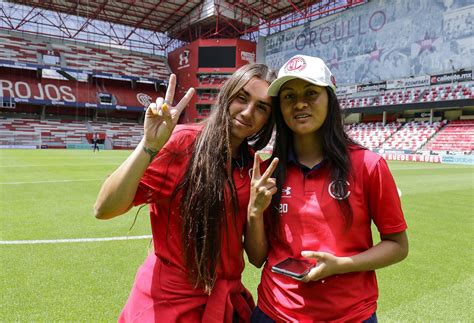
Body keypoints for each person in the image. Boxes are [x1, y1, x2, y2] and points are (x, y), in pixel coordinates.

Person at [94, 64, 276, 322]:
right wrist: (148, 145)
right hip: (168, 303)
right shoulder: (182, 142)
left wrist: (256, 211)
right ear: (226, 95)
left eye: (261, 107)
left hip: (225, 302)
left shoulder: (254, 166)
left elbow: (257, 258)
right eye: (242, 98)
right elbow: (104, 209)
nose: (248, 112)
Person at [245, 55, 409, 322]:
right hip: (274, 312)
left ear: (329, 99)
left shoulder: (369, 165)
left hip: (350, 315)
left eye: (311, 92)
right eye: (288, 96)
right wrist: (254, 213)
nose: (299, 103)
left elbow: (398, 246)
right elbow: (256, 258)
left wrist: (341, 266)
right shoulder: (266, 172)